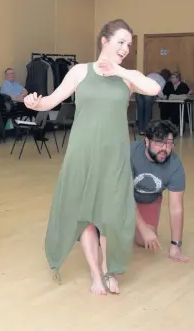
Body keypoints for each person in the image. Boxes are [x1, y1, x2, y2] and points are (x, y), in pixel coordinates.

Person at [24, 19, 161, 295]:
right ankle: (96, 274)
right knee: (84, 214)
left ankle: (111, 271)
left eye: (129, 44)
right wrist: (36, 103)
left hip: (114, 156)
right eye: (120, 42)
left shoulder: (127, 76)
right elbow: (52, 100)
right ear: (104, 41)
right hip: (83, 153)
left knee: (111, 215)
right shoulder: (79, 72)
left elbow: (154, 88)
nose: (125, 48)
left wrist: (120, 69)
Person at [131, 120, 189, 263]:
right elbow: (122, 195)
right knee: (112, 234)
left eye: (169, 143)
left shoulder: (175, 165)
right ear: (146, 141)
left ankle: (128, 222)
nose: (165, 148)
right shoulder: (130, 153)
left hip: (149, 199)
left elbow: (176, 208)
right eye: (159, 143)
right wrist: (142, 227)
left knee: (143, 241)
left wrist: (176, 246)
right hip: (122, 197)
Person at [136, 69, 171, 134]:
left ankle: (141, 130)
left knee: (140, 111)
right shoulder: (163, 80)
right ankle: (146, 130)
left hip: (138, 90)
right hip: (148, 92)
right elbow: (159, 92)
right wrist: (164, 97)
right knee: (147, 112)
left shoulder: (152, 74)